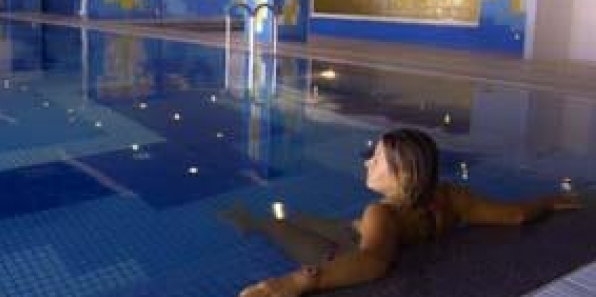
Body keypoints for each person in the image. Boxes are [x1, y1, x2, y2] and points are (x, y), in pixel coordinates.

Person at [222, 128, 583, 297]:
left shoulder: (381, 214)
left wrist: (295, 283)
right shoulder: (451, 197)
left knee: (279, 227)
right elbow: (516, 215)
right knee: (305, 220)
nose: (368, 162)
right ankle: (269, 221)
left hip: (346, 248)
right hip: (356, 229)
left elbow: (373, 261)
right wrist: (548, 202)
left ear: (405, 174)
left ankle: (250, 222)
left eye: (377, 159)